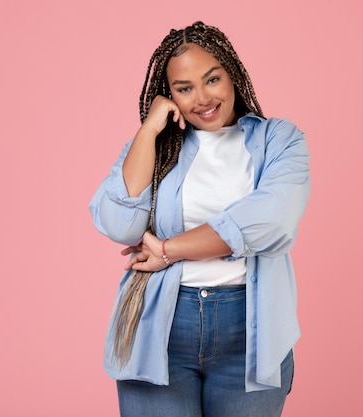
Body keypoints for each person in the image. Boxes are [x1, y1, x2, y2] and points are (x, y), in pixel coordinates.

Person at [89, 21, 310, 417]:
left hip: (250, 334)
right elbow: (120, 224)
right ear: (167, 94)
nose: (202, 98)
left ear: (232, 74)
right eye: (184, 88)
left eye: (212, 79)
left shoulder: (279, 140)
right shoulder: (157, 146)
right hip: (160, 329)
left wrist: (169, 250)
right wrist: (148, 130)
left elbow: (270, 221)